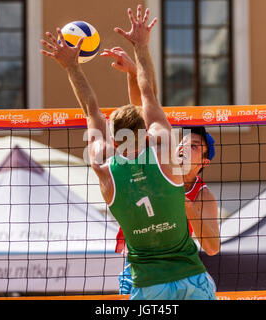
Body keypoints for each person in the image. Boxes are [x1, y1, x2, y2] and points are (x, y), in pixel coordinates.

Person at [41, 5, 215, 300]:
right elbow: (148, 95)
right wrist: (141, 46)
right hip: (191, 279)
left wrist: (71, 67)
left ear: (114, 139)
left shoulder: (104, 168)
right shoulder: (166, 158)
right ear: (148, 134)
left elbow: (91, 109)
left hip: (149, 287)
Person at [101, 48, 220, 296]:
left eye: (196, 146)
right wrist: (133, 73)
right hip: (140, 269)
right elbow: (140, 111)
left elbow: (213, 248)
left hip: (180, 274)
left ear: (203, 163)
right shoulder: (158, 161)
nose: (185, 145)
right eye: (184, 140)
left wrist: (184, 203)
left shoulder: (203, 196)